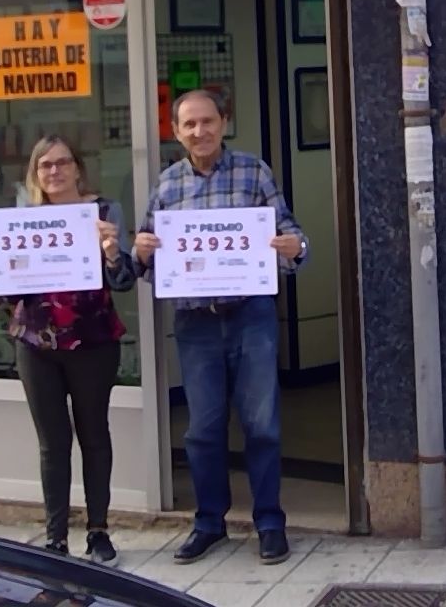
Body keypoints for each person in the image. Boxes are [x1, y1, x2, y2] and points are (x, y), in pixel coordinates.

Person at [132, 89, 308, 566]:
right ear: (176, 131)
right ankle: (209, 523)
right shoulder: (167, 186)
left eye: (207, 121)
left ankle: (269, 522)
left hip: (251, 314)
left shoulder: (255, 172)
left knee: (262, 425)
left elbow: (289, 234)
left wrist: (295, 248)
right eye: (189, 124)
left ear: (224, 122)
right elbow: (145, 260)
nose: (199, 131)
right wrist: (141, 251)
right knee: (203, 430)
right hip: (196, 323)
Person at [0, 135, 132, 562]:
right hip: (37, 343)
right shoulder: (21, 221)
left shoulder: (104, 213)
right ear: (35, 174)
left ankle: (98, 532)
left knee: (94, 435)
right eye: (44, 166)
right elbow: (3, 295)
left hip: (93, 341)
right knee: (52, 442)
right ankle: (56, 537)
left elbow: (125, 279)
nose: (54, 172)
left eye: (62, 163)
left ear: (78, 168)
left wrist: (112, 253)